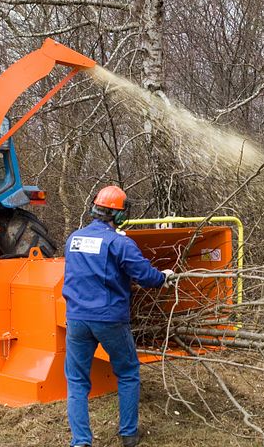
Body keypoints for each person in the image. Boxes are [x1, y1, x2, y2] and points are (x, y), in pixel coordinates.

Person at [63, 185, 174, 447]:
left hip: (77, 319)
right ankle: (128, 434)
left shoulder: (74, 239)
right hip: (109, 318)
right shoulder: (120, 242)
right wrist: (163, 278)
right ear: (119, 215)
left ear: (95, 209)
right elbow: (145, 276)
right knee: (127, 372)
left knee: (77, 381)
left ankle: (80, 442)